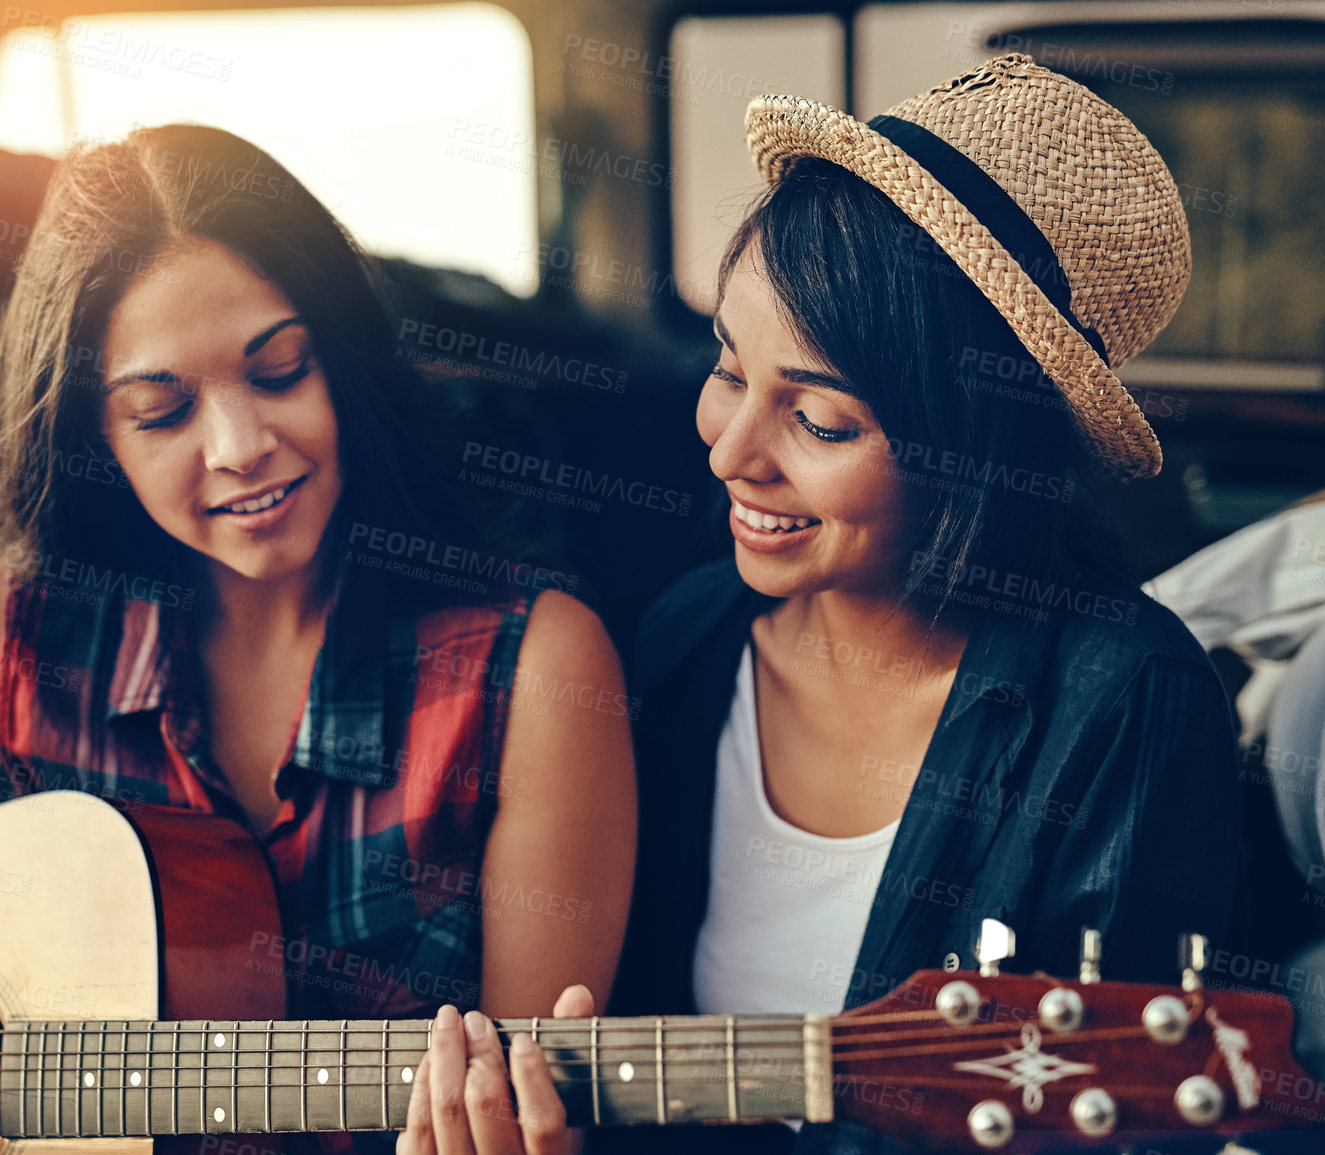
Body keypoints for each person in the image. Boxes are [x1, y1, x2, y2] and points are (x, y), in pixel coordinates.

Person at [0, 124, 636, 1155]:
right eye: (162, 411)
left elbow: (534, 1101)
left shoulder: (534, 668)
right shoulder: (12, 621)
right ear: (93, 435)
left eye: (279, 372)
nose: (238, 448)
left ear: (348, 365)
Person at [400, 54, 1241, 1155]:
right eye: (729, 370)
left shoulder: (1131, 702)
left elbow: (1135, 1112)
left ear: (976, 452)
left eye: (823, 422)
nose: (735, 453)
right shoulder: (682, 641)